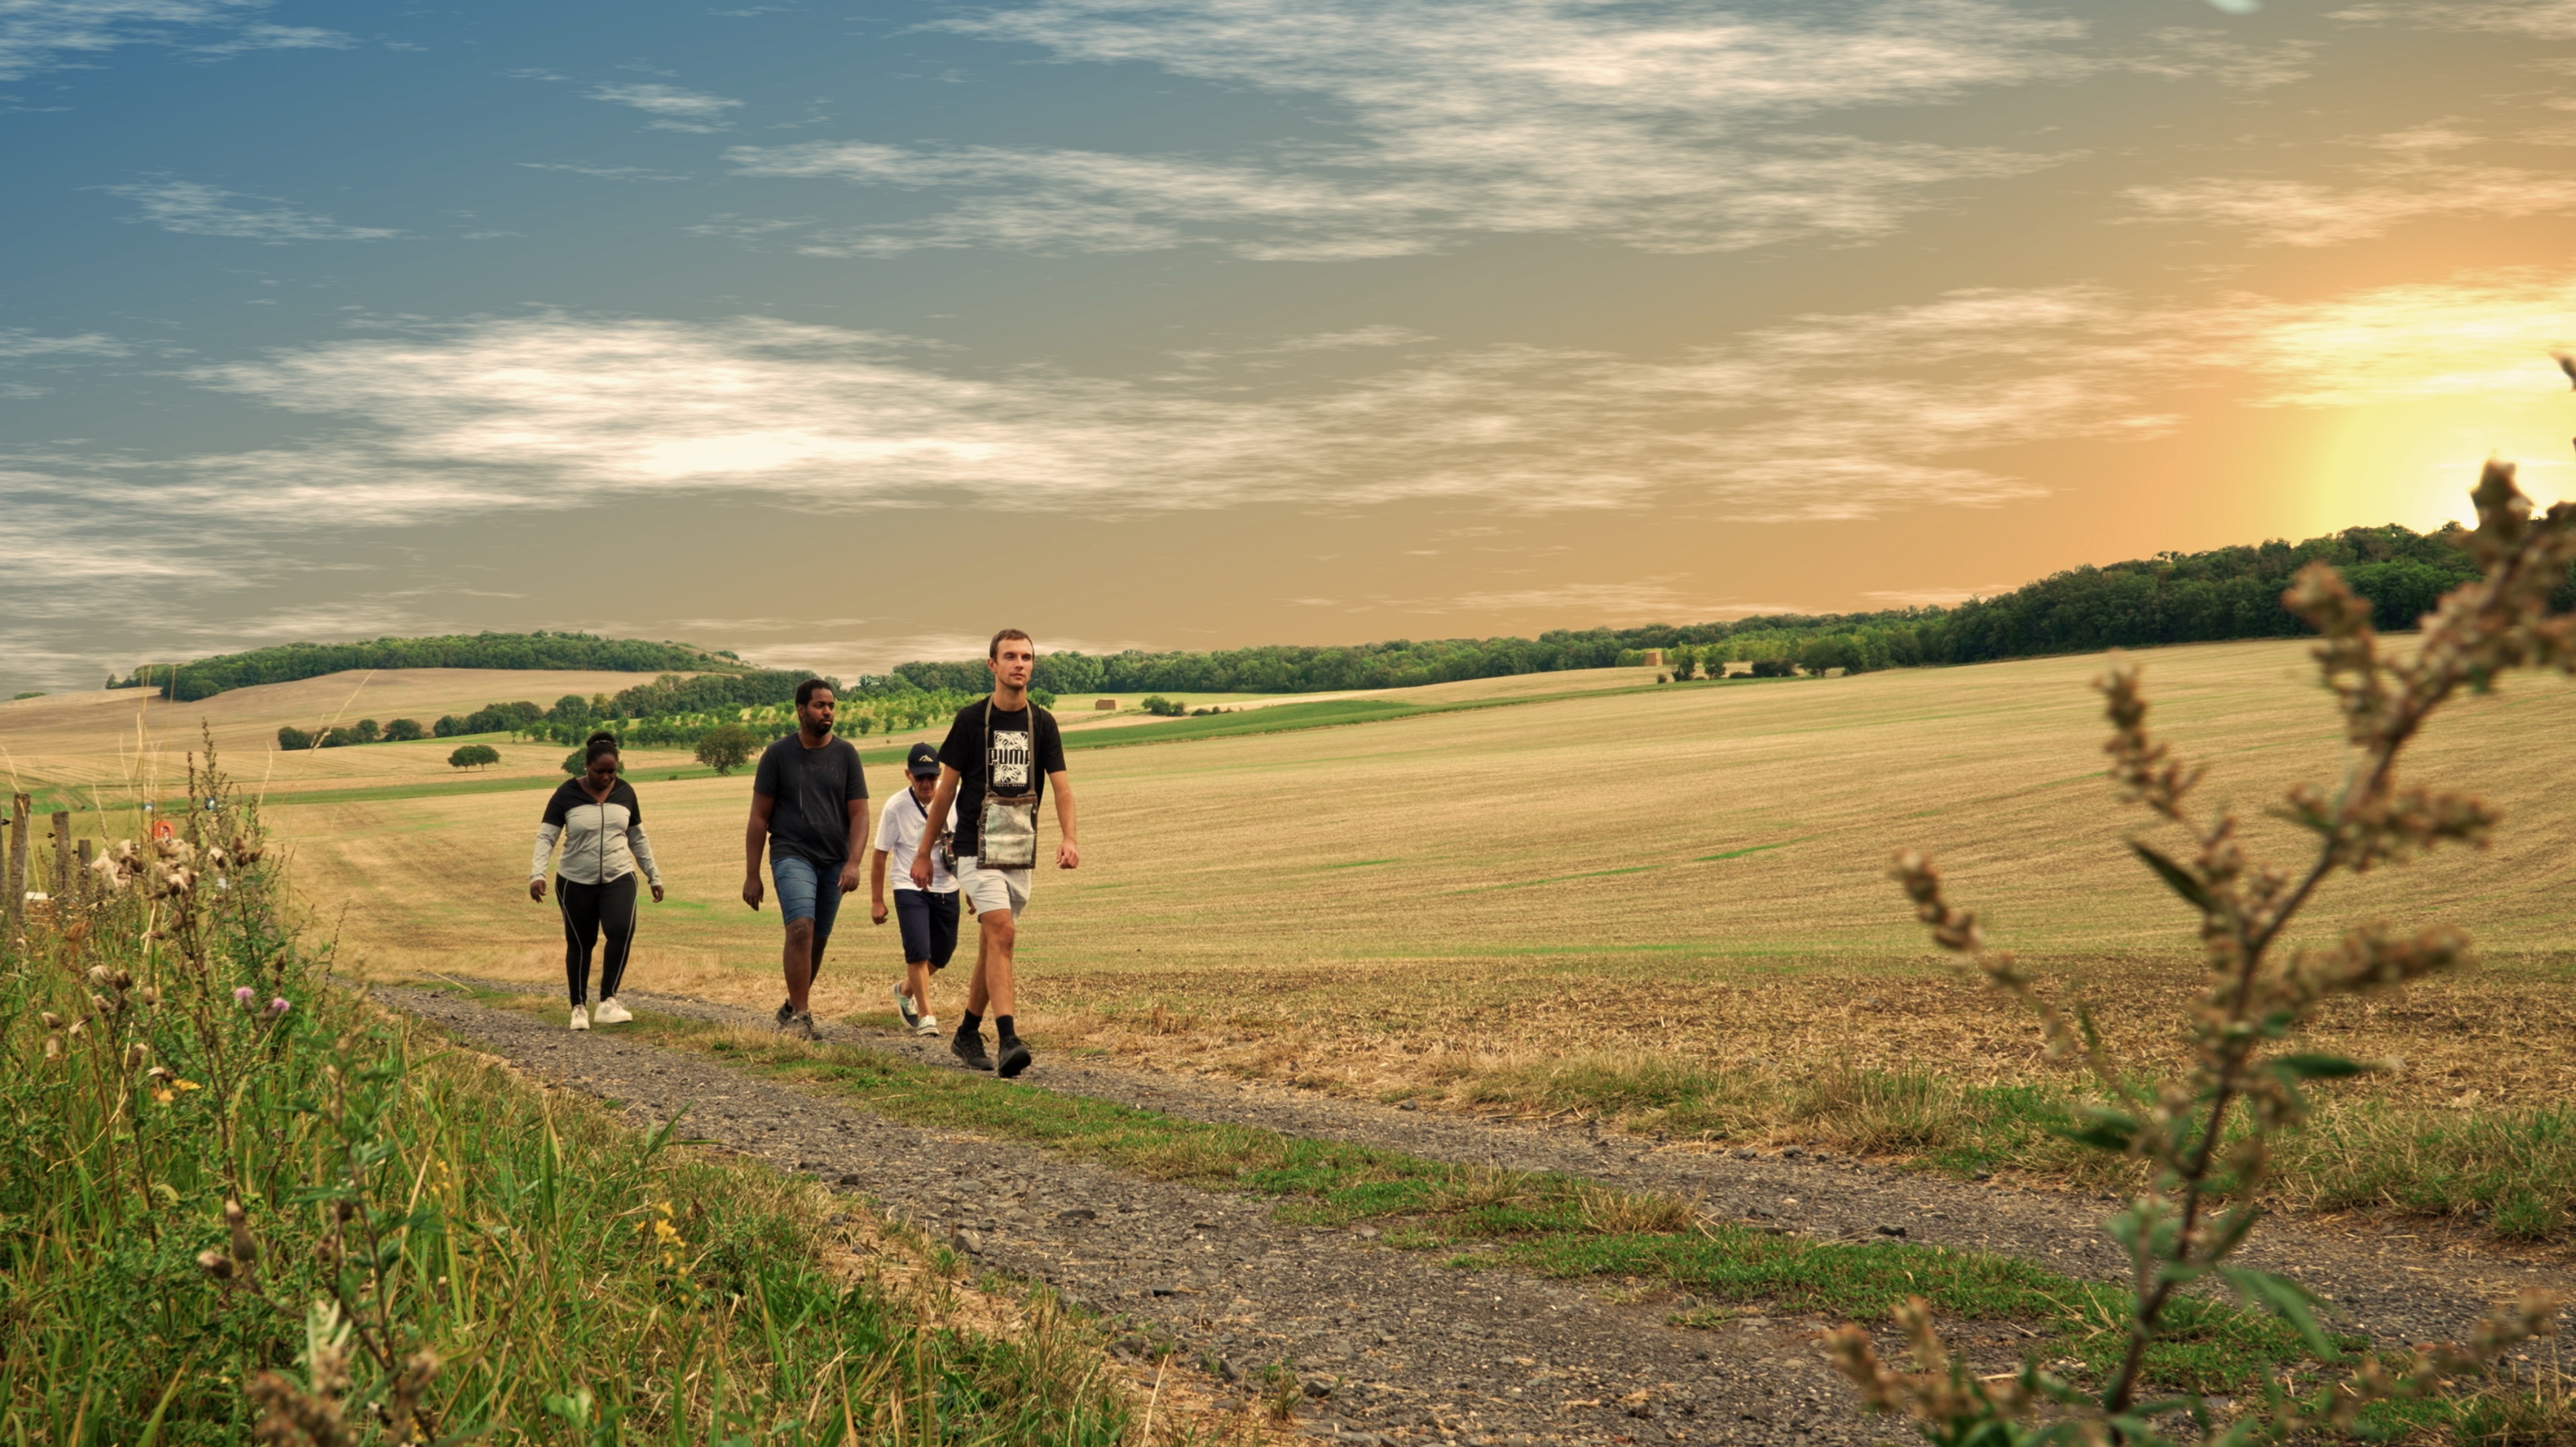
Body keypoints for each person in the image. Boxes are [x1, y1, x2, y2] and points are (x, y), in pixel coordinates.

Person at [911, 628, 1078, 1078]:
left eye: (1026, 657)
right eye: (1010, 656)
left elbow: (1061, 786)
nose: (1019, 664)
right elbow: (945, 790)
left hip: (1020, 847)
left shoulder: (1042, 723)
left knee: (992, 944)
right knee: (1002, 933)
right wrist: (924, 852)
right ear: (993, 665)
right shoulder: (970, 721)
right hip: (973, 847)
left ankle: (966, 1032)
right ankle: (1008, 1039)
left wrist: (1069, 837)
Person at [743, 678, 870, 1039]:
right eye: (819, 705)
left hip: (834, 859)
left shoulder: (846, 754)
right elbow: (758, 817)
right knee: (800, 927)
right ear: (801, 710)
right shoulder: (778, 755)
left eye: (831, 705)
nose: (827, 711)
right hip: (791, 853)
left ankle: (790, 1006)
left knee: (818, 939)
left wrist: (854, 862)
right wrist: (753, 875)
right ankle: (801, 1015)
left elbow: (860, 814)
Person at [529, 731, 664, 1031]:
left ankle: (608, 1002)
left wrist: (653, 875)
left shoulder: (626, 793)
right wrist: (538, 874)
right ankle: (578, 1007)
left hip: (619, 875)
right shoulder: (566, 794)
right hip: (575, 880)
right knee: (581, 943)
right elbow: (546, 837)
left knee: (620, 930)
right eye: (599, 772)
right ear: (586, 767)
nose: (606, 778)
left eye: (612, 772)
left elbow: (638, 839)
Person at [871, 741, 960, 1037]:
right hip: (908, 885)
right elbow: (880, 853)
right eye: (920, 777)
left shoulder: (954, 799)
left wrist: (972, 888)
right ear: (908, 775)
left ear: (941, 774)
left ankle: (904, 990)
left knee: (943, 953)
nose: (926, 783)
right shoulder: (895, 807)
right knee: (918, 951)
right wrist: (877, 901)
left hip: (947, 884)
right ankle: (926, 1015)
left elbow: (966, 847)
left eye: (932, 777)